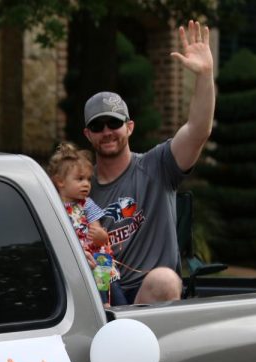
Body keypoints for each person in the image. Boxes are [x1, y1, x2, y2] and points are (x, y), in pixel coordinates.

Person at [84, 20, 215, 304]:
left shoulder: (157, 166)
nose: (107, 131)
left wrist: (205, 76)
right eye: (98, 126)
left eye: (114, 123)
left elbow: (198, 130)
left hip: (151, 299)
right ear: (88, 134)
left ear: (129, 127)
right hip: (100, 295)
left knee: (165, 280)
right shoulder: (80, 188)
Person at [46, 142, 125, 307]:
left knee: (106, 275)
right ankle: (101, 306)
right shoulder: (53, 207)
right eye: (80, 179)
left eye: (89, 179)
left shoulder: (87, 204)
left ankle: (112, 306)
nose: (86, 184)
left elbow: (100, 235)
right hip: (74, 261)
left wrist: (100, 236)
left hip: (96, 258)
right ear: (60, 182)